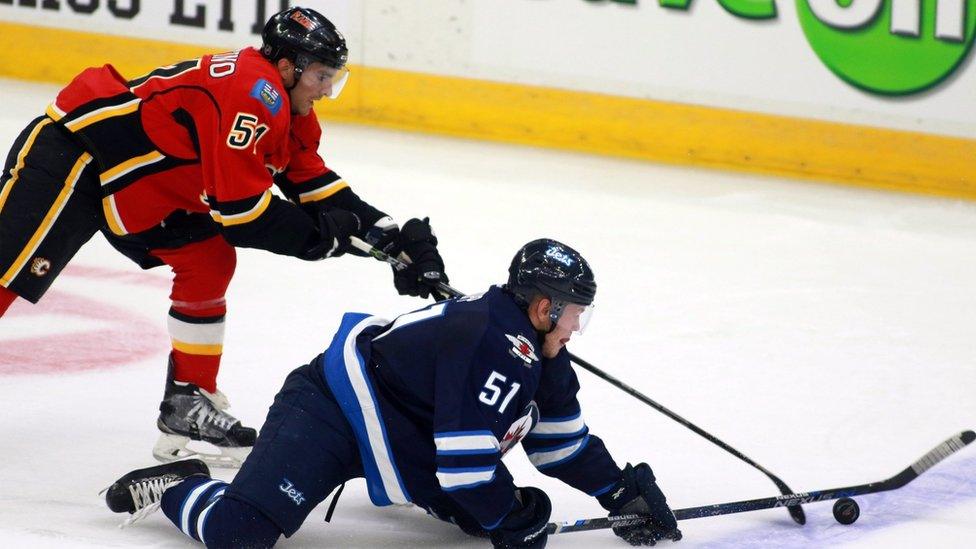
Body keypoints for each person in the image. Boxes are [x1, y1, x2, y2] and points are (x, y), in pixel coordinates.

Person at [0, 7, 448, 467]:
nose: (327, 89)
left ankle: (186, 403)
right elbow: (242, 214)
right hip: (78, 155)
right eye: (320, 75)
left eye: (335, 77)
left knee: (208, 260)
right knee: (6, 273)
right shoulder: (252, 94)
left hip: (147, 189)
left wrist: (392, 239)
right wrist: (324, 240)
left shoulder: (288, 106)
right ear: (288, 66)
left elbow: (310, 183)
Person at [103, 239, 682, 548]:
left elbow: (559, 444)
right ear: (542, 306)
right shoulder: (490, 342)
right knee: (240, 534)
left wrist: (618, 491)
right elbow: (462, 469)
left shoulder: (539, 355)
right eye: (573, 312)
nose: (576, 326)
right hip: (333, 408)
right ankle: (183, 488)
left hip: (407, 432)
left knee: (483, 521)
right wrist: (510, 514)